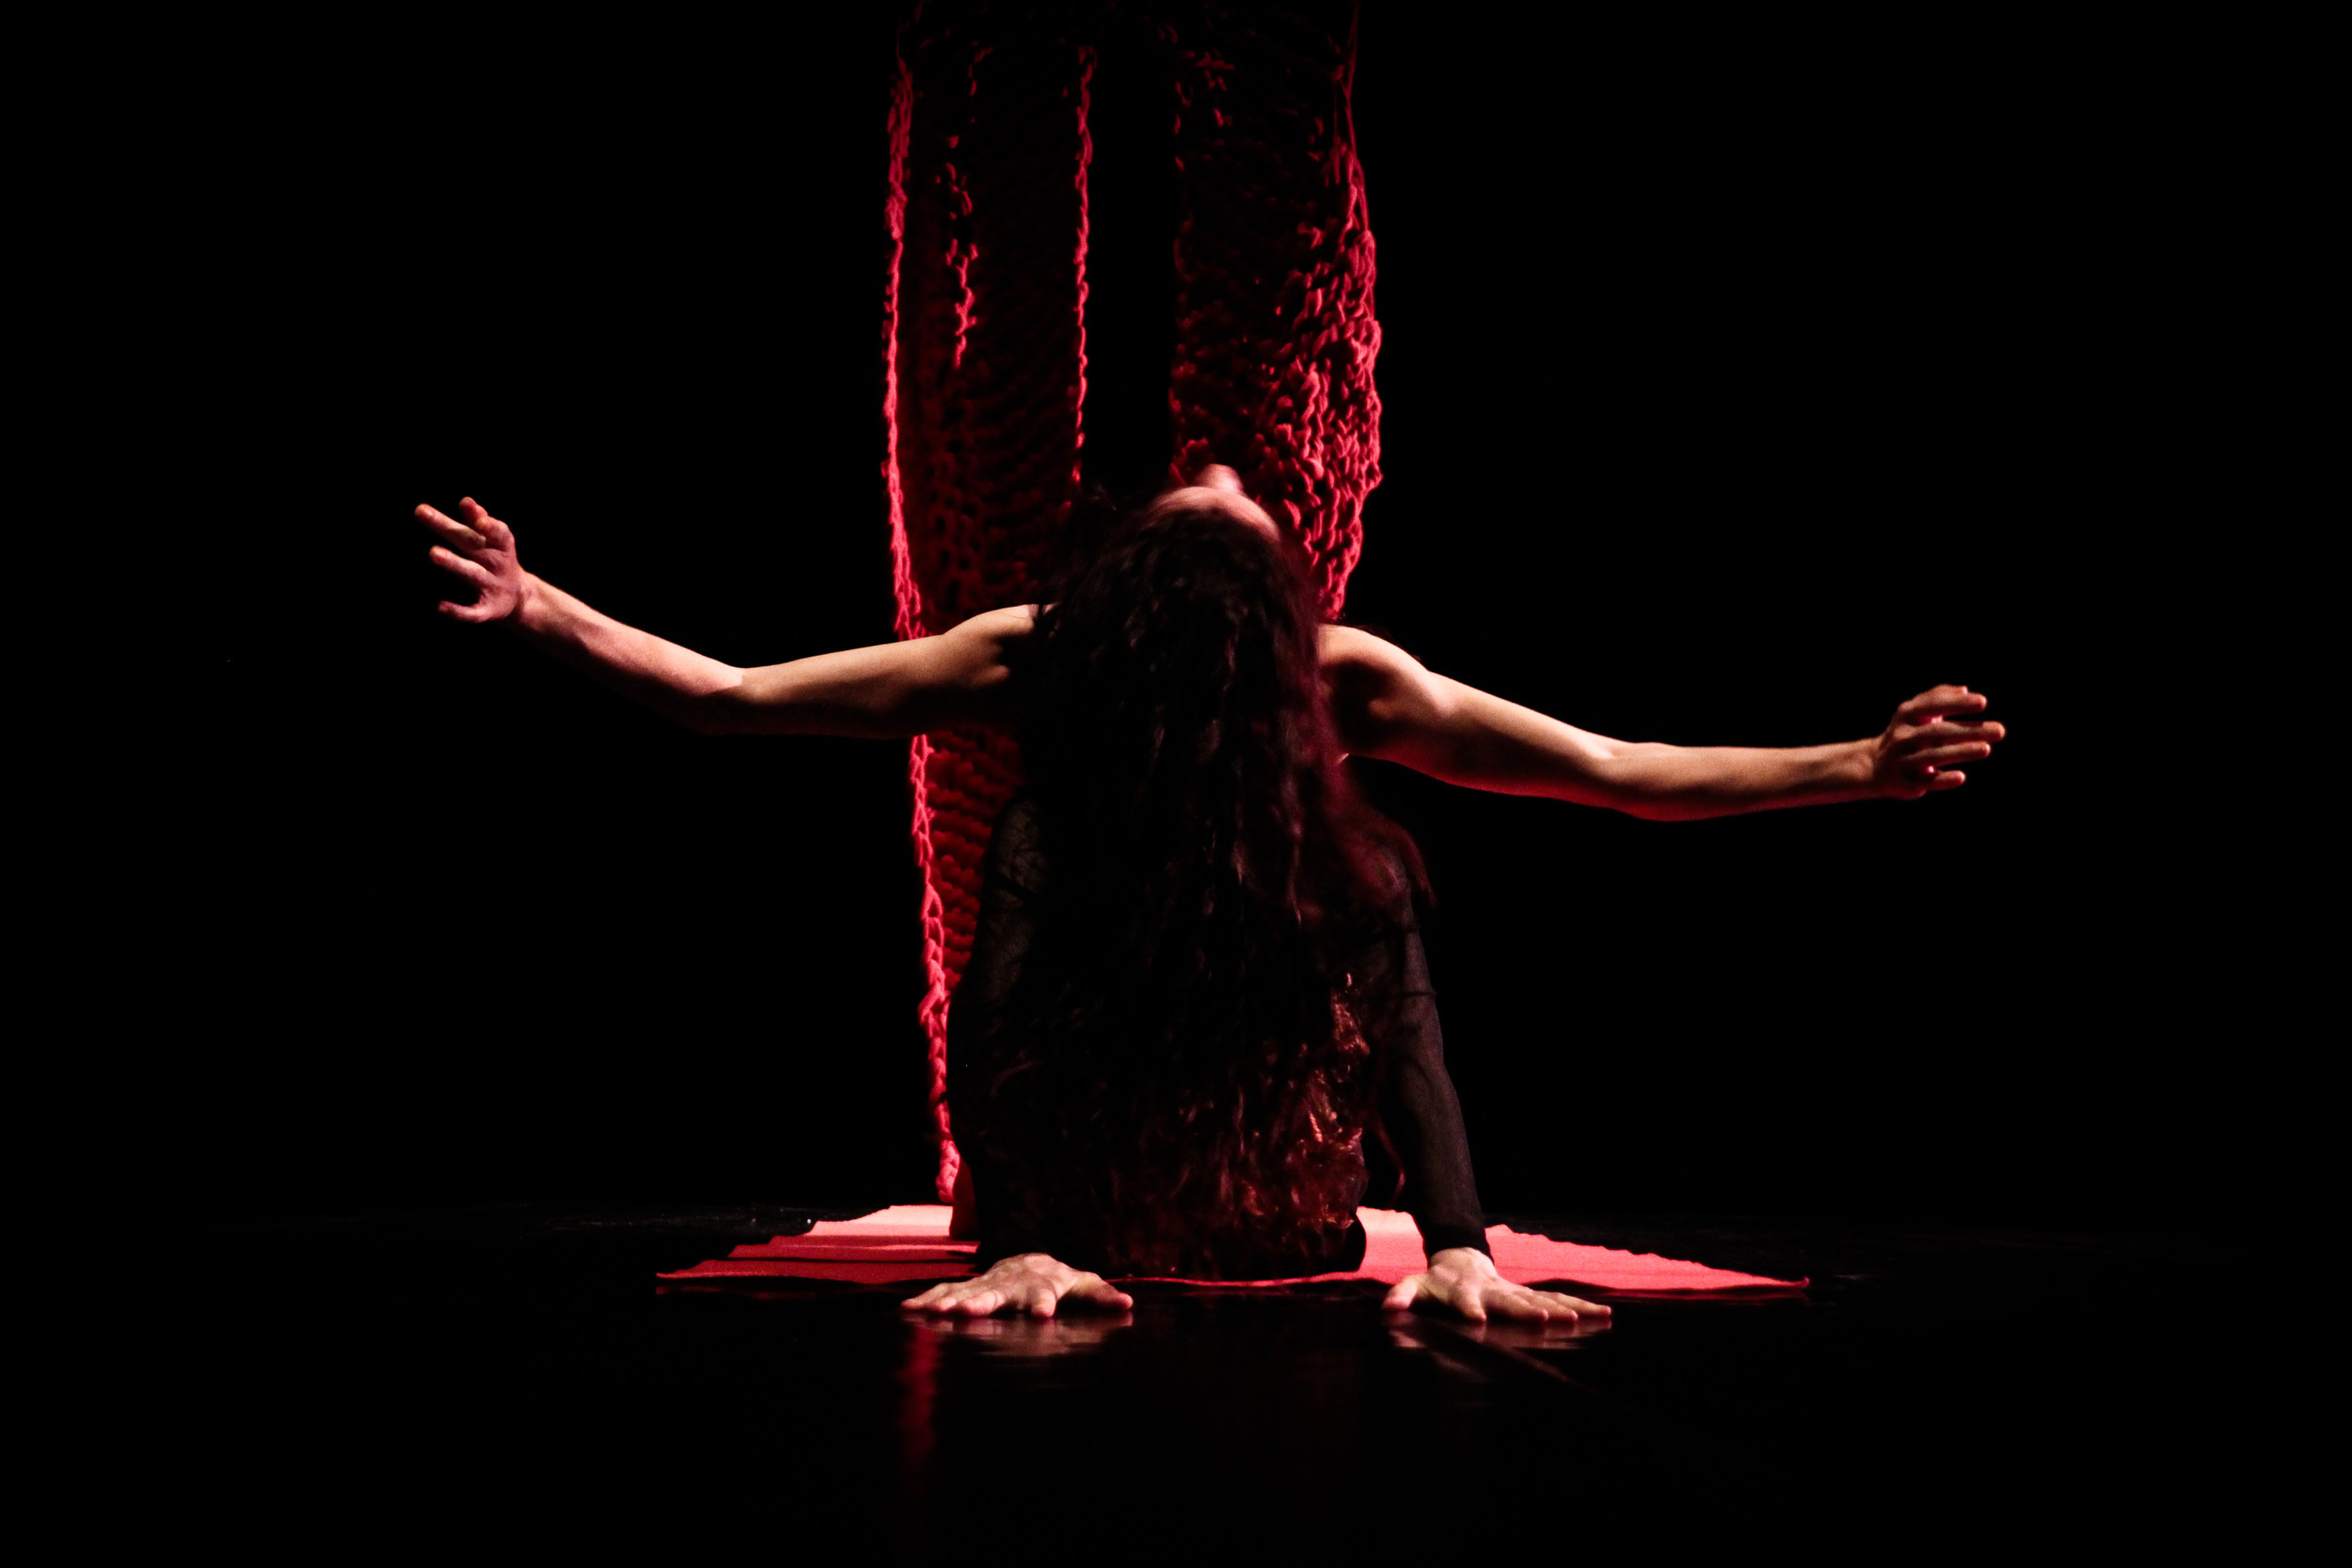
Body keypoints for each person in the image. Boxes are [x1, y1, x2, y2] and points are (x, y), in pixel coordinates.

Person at [417, 468, 2002, 1322]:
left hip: (1266, 1187)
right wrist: (544, 608)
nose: (1227, 472)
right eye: (1211, 497)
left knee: (1362, 868)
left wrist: (1859, 764)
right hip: (1103, 1172)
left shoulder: (1340, 680)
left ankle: (1454, 1245)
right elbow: (737, 697)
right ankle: (1028, 1244)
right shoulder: (1040, 657)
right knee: (1049, 839)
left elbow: (1619, 768)